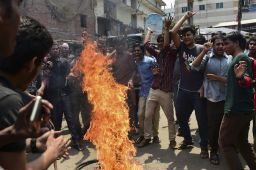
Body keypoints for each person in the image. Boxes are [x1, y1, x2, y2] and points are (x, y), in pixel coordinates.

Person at [0, 16, 69, 170]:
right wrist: (52, 152)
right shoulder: (9, 101)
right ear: (32, 63)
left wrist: (32, 143)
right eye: (42, 62)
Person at [172, 11, 208, 158]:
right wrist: (185, 17)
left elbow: (206, 71)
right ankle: (187, 139)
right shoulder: (181, 48)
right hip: (183, 90)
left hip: (197, 92)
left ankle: (204, 147)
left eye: (189, 34)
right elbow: (173, 31)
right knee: (180, 117)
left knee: (201, 120)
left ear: (193, 35)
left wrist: (203, 86)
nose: (186, 37)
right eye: (184, 35)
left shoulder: (201, 49)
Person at [192, 35, 232, 165]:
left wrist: (218, 78)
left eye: (222, 44)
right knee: (213, 127)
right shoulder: (207, 57)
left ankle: (225, 148)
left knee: (226, 126)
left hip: (228, 98)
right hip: (212, 99)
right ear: (213, 45)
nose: (220, 46)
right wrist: (204, 51)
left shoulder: (230, 58)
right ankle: (213, 151)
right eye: (217, 44)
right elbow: (194, 66)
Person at [219, 31, 256, 170]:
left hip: (236, 110)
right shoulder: (239, 57)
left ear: (236, 43)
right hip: (243, 109)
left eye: (226, 43)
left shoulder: (241, 58)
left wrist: (240, 78)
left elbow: (246, 80)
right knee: (242, 142)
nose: (223, 47)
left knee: (225, 143)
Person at [139, 16, 177, 148]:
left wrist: (167, 28)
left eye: (162, 41)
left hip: (166, 91)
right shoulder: (157, 54)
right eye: (159, 41)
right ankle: (147, 137)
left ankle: (172, 140)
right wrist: (149, 31)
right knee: (147, 115)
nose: (160, 43)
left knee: (170, 118)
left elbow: (167, 45)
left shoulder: (173, 53)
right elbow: (146, 44)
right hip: (154, 89)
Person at [130, 44, 160, 144]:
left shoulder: (150, 61)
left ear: (143, 51)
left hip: (153, 91)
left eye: (138, 51)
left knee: (152, 115)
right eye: (135, 51)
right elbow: (134, 72)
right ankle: (143, 135)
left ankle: (155, 135)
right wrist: (131, 80)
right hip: (143, 91)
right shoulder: (135, 62)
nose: (136, 52)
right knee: (140, 114)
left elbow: (157, 73)